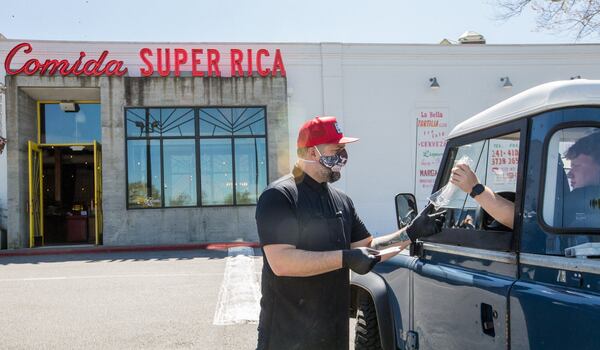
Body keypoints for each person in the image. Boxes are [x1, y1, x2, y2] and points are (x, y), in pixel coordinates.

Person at [255, 116, 445, 350]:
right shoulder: (280, 196)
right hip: (286, 336)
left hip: (332, 334)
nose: (343, 157)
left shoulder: (341, 201)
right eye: (337, 149)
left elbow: (367, 247)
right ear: (312, 153)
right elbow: (282, 262)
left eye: (344, 150)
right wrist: (346, 258)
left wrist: (411, 232)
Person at [450, 131, 600, 229]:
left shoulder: (584, 203)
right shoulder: (577, 202)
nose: (569, 174)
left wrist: (475, 188)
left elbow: (527, 226)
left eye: (577, 166)